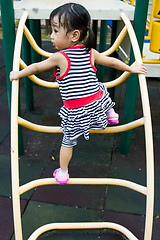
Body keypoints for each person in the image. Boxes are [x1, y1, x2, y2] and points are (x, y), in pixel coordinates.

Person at [10, 3, 147, 185]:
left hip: (76, 112)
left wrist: (18, 73)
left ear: (74, 35)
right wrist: (131, 68)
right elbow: (113, 62)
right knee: (100, 88)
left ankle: (63, 172)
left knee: (67, 141)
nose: (51, 35)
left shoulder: (60, 57)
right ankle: (110, 114)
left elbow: (35, 67)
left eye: (56, 31)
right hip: (97, 103)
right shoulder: (90, 53)